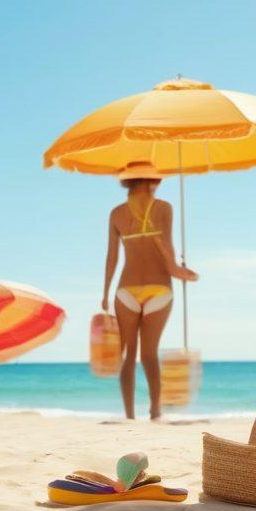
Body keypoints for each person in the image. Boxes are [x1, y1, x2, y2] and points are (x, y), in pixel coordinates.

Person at [101, 162, 198, 420]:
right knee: (149, 354)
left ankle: (130, 415)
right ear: (153, 180)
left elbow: (112, 258)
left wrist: (105, 293)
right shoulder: (164, 208)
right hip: (159, 288)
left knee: (128, 355)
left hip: (126, 290)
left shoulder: (117, 213)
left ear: (128, 181)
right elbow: (167, 252)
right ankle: (155, 411)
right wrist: (182, 272)